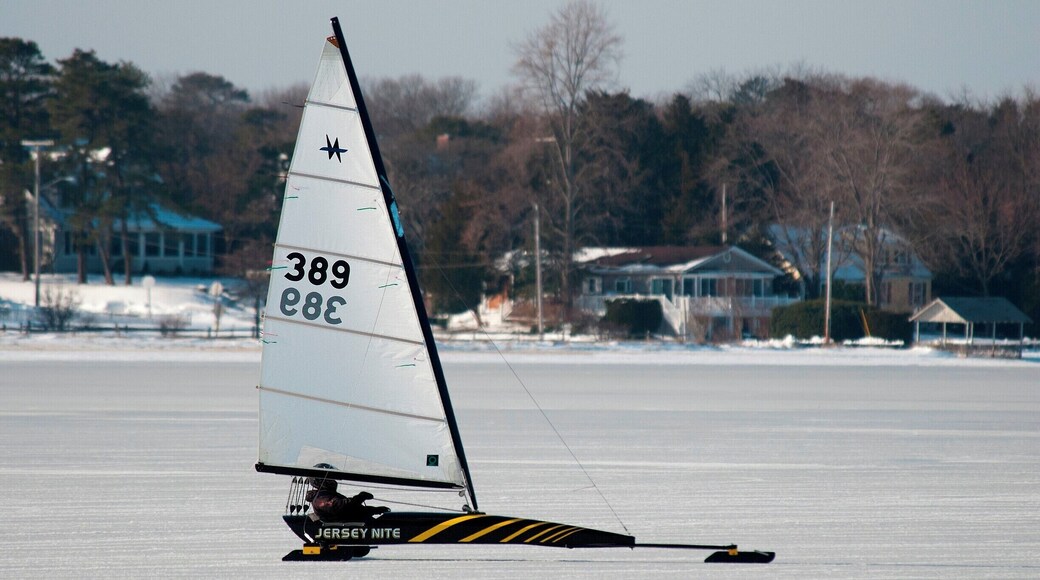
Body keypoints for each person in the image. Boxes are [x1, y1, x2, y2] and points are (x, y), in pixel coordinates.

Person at [305, 476, 389, 522]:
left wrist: (373, 510)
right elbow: (343, 507)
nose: (332, 481)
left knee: (390, 518)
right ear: (319, 481)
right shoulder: (321, 499)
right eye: (329, 479)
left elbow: (351, 510)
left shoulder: (326, 494)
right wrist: (360, 498)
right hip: (346, 525)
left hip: (353, 521)